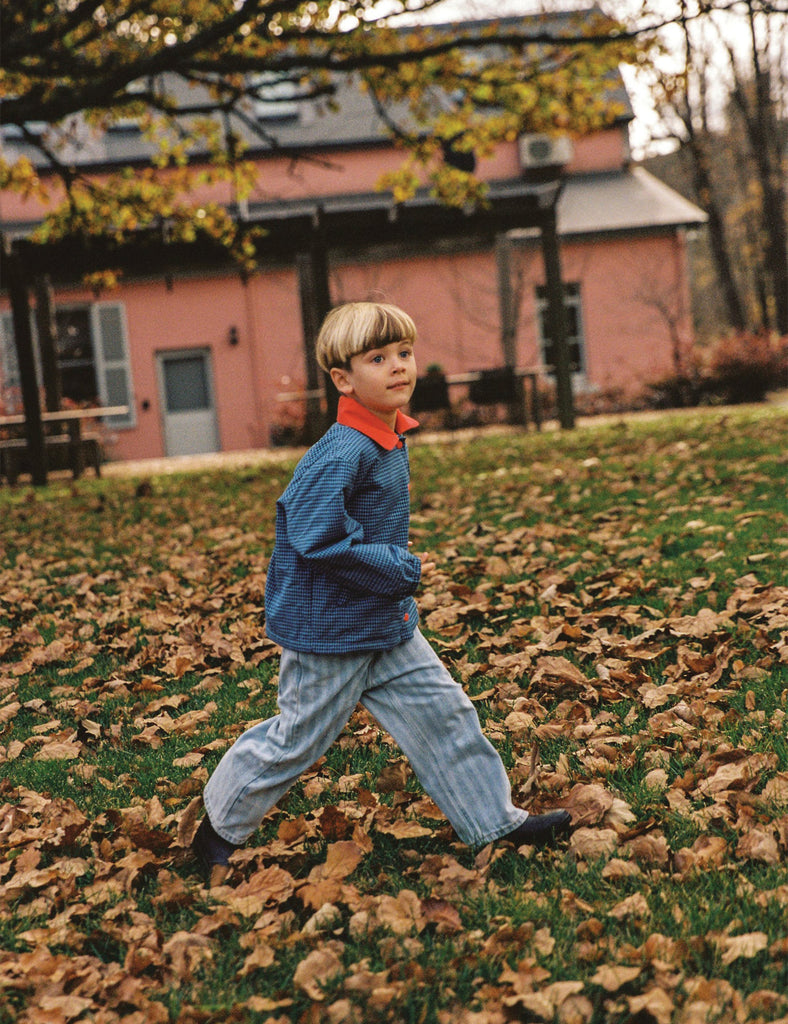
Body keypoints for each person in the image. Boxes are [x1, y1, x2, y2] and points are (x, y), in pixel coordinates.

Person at [192, 301, 570, 882]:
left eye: (404, 353)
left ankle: (494, 821)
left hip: (383, 623)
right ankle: (217, 827)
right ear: (343, 379)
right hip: (332, 631)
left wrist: (391, 584)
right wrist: (398, 566)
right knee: (297, 738)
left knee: (446, 715)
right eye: (378, 358)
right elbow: (316, 536)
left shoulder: (387, 437)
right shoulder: (344, 450)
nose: (399, 366)